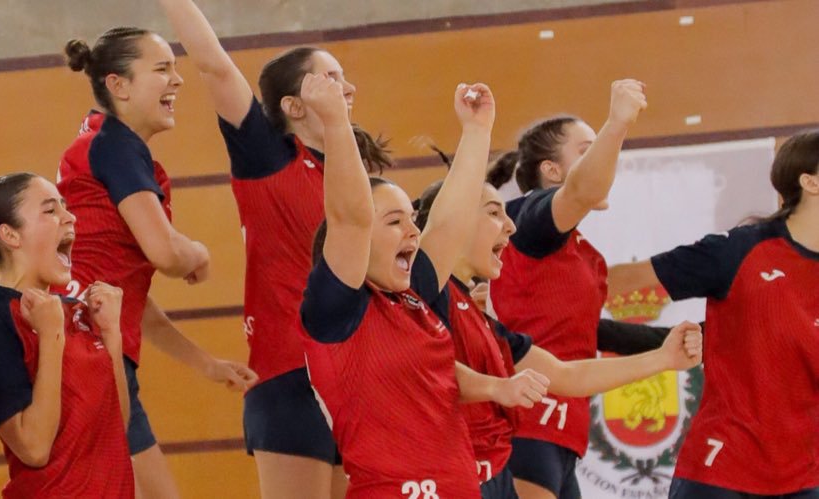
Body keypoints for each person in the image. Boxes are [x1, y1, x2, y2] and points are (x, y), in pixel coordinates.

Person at [154, 1, 393, 495]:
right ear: (294, 105)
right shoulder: (269, 156)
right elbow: (214, 64)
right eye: (329, 77)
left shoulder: (355, 182)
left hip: (359, 377)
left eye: (344, 76)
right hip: (290, 374)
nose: (346, 87)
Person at [301, 78, 548, 497]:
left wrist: (476, 132)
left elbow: (449, 222)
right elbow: (350, 217)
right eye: (395, 222)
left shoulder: (413, 297)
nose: (413, 230)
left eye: (411, 218)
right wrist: (335, 123)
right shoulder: (335, 310)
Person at [413, 178, 703, 497]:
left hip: (488, 477)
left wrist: (663, 358)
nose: (510, 226)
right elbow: (432, 373)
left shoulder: (479, 317)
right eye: (494, 213)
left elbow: (567, 374)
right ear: (455, 221)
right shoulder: (423, 294)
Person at [59, 24, 253, 497]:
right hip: (84, 351)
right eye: (162, 68)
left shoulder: (107, 145)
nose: (178, 80)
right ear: (118, 85)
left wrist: (203, 362)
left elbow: (129, 295)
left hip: (95, 348)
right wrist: (199, 254)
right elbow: (166, 253)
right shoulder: (116, 145)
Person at [601, 130, 819, 498]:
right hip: (723, 465)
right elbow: (623, 280)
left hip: (804, 476)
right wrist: (514, 295)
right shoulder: (739, 250)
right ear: (810, 182)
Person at [486, 80, 648, 498]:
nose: (600, 158)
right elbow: (584, 189)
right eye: (586, 149)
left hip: (562, 435)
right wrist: (617, 123)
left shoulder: (581, 253)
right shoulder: (529, 221)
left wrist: (689, 338)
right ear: (551, 172)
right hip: (527, 425)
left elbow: (590, 333)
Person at [0, 172, 134, 498]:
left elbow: (115, 427)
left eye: (65, 208)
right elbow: (34, 447)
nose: (70, 217)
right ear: (10, 235)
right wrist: (51, 336)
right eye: (51, 211)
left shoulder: (76, 311)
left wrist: (111, 333)